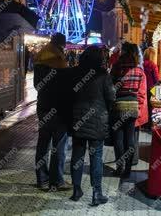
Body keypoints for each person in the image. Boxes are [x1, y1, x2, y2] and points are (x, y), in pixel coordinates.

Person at [69, 46, 115, 205]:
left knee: (77, 156)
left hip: (78, 121)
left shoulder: (75, 73)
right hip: (97, 122)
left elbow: (69, 95)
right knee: (96, 158)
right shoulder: (103, 75)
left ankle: (76, 190)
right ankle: (97, 193)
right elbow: (111, 97)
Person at [34, 33, 72, 191]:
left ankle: (42, 179)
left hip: (43, 107)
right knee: (59, 146)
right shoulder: (60, 62)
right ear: (61, 45)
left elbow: (37, 85)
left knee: (43, 144)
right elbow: (67, 88)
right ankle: (57, 180)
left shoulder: (40, 59)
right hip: (59, 110)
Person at [111, 42, 147, 177]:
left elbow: (111, 86)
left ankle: (119, 168)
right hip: (132, 106)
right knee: (130, 139)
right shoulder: (139, 71)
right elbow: (142, 94)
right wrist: (138, 107)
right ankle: (128, 171)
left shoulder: (117, 67)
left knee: (118, 139)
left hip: (118, 106)